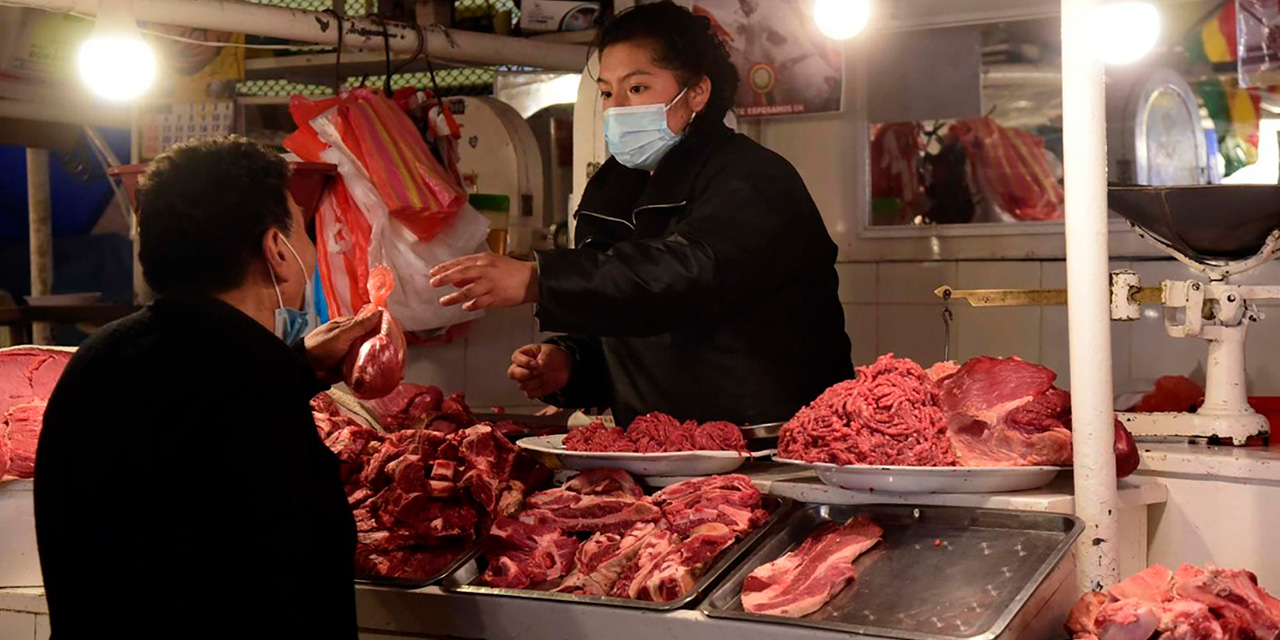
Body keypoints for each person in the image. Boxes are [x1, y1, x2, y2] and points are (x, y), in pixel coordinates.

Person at [429, 1, 852, 427]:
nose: (618, 108)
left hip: (770, 443)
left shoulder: (754, 178)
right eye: (608, 92)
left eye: (637, 89)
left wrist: (538, 278)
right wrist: (570, 364)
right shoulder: (613, 189)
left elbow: (687, 275)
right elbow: (629, 321)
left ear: (698, 93)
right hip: (658, 449)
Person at [34, 137, 377, 639]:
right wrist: (284, 375)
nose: (310, 245)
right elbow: (278, 596)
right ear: (276, 251)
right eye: (303, 228)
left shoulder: (98, 360)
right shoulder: (252, 396)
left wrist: (296, 368)